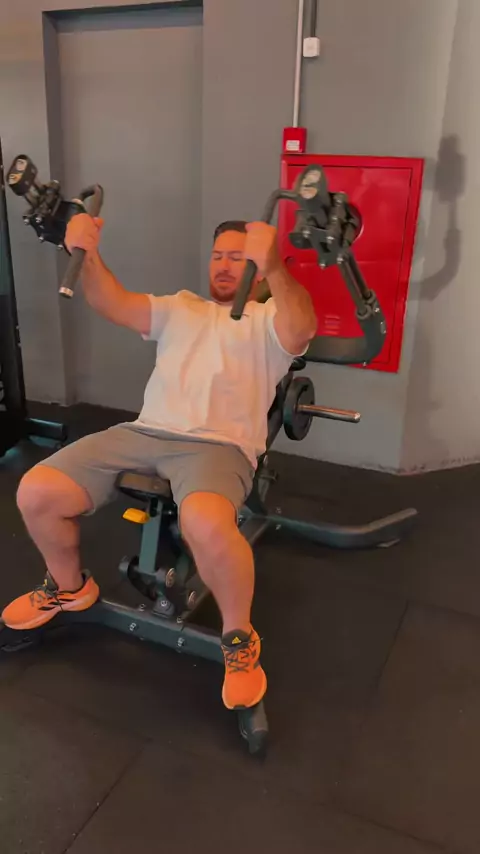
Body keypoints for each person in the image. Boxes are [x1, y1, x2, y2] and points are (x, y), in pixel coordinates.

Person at [2, 213, 317, 711]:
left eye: (238, 258)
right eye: (218, 256)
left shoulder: (269, 320)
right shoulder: (182, 307)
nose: (224, 265)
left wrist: (276, 266)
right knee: (37, 491)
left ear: (257, 268)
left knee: (206, 525)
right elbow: (112, 301)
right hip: (144, 433)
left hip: (218, 447)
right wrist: (87, 253)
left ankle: (239, 638)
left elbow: (303, 328)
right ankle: (68, 588)